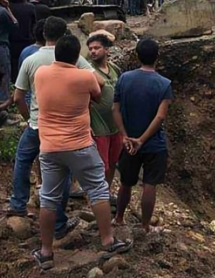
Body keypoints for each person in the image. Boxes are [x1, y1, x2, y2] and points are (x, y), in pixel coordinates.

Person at [32, 35, 131, 270]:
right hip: (80, 145)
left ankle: (46, 252)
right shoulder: (85, 76)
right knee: (97, 189)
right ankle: (108, 240)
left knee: (48, 197)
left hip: (49, 148)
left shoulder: (41, 74)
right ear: (78, 56)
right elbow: (98, 94)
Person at [8, 17, 104, 233]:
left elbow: (18, 97)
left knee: (23, 161)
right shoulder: (73, 58)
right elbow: (98, 82)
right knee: (63, 172)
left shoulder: (31, 60)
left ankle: (18, 204)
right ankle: (59, 223)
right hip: (65, 129)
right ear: (64, 37)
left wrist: (28, 118)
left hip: (37, 124)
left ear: (43, 35)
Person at [113, 38, 173, 232]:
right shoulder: (164, 84)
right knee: (150, 184)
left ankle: (119, 218)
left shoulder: (124, 79)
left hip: (129, 142)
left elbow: (115, 109)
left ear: (137, 56)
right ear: (158, 57)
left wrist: (125, 136)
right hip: (153, 144)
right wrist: (142, 139)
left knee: (126, 182)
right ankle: (145, 224)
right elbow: (160, 116)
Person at [87, 34, 122, 194]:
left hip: (115, 125)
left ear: (106, 50)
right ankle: (98, 196)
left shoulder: (115, 69)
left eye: (96, 48)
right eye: (91, 49)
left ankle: (106, 192)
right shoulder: (88, 71)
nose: (93, 51)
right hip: (98, 125)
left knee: (113, 160)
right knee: (101, 163)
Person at [8, 0, 37, 82]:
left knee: (13, 74)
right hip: (27, 43)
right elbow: (34, 25)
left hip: (10, 44)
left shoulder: (7, 8)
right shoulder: (30, 7)